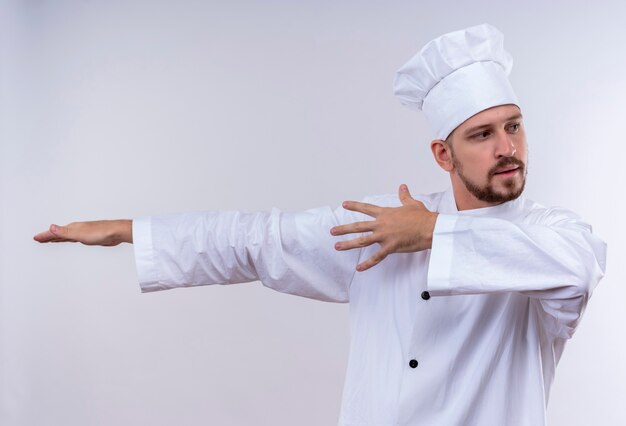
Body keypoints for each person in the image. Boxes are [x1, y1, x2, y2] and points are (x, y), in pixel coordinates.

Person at [34, 24, 606, 426]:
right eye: (483, 135)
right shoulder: (382, 223)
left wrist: (432, 234)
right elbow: (260, 239)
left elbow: (573, 268)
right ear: (442, 153)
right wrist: (132, 229)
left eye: (514, 127)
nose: (508, 148)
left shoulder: (550, 234)